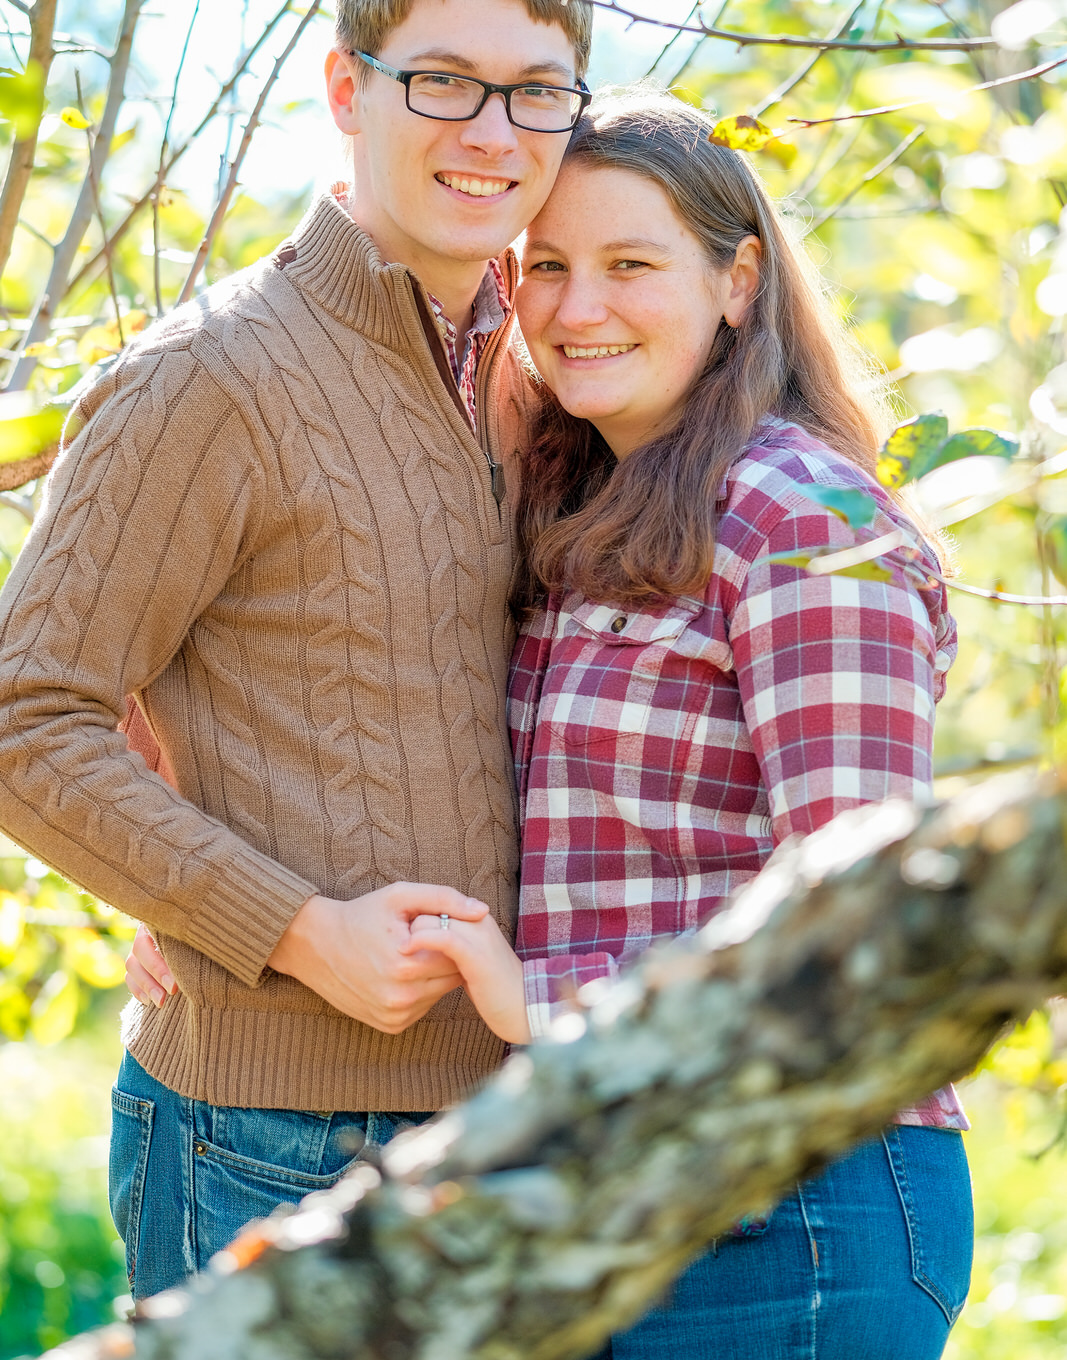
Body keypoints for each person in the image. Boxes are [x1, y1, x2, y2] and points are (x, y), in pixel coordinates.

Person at [0, 0, 594, 1300]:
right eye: (441, 80)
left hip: (515, 1121)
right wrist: (282, 924)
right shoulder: (207, 379)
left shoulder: (546, 377)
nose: (491, 133)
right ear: (344, 86)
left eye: (535, 92)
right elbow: (28, 721)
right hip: (271, 1137)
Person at [395, 92, 975, 1358]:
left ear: (736, 280)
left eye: (628, 264)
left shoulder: (803, 521)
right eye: (545, 266)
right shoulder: (578, 517)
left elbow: (862, 934)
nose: (575, 306)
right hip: (616, 1188)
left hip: (794, 1204)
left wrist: (537, 991)